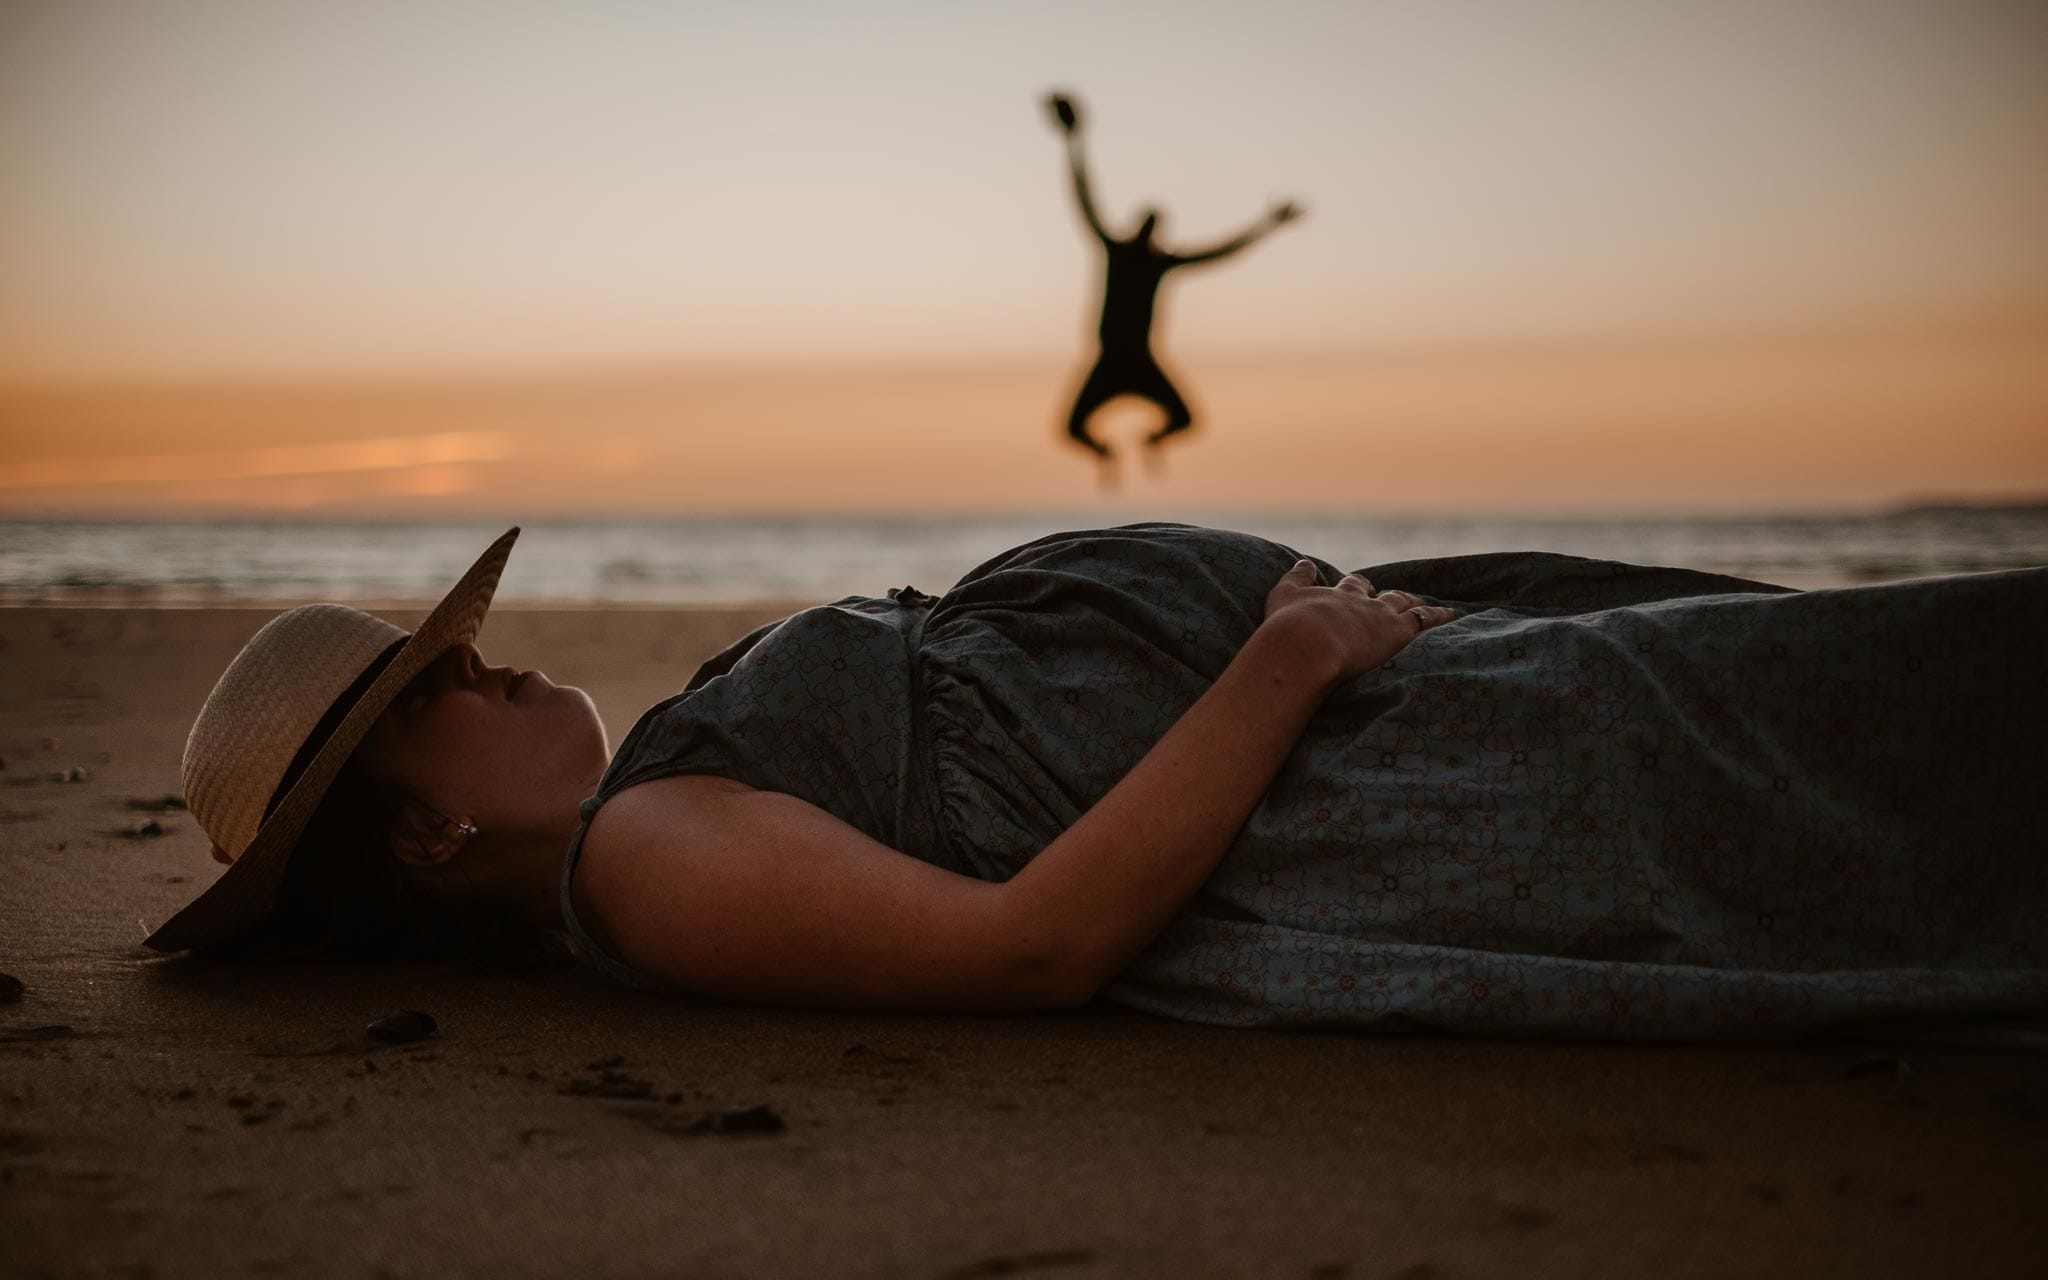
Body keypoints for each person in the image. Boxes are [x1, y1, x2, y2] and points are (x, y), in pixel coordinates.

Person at [149, 522, 2048, 1043]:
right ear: (424, 829)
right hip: (1355, 757)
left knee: (1869, 689)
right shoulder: (643, 861)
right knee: (1882, 729)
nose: (483, 656)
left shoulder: (665, 782)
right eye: (435, 689)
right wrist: (1288, 656)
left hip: (1366, 682)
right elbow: (1026, 947)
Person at [1047, 93, 1303, 468]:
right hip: (1108, 359)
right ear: (1137, 225)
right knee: (1072, 429)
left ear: (1155, 233)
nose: (1146, 230)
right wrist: (1074, 141)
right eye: (1144, 222)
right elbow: (1084, 196)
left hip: (1141, 360)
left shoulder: (1159, 263)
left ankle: (1152, 439)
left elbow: (1222, 251)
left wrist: (1267, 225)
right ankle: (1105, 453)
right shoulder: (1117, 251)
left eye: (1153, 226)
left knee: (1185, 420)